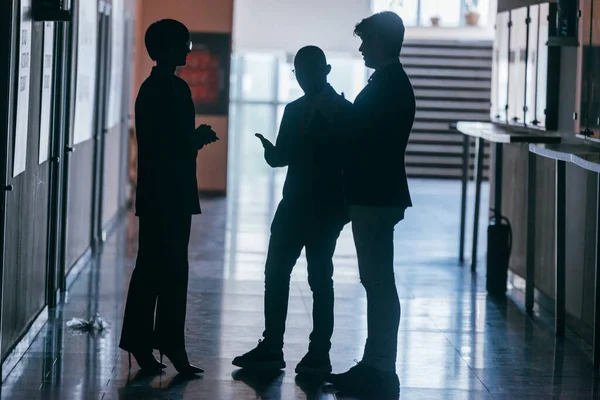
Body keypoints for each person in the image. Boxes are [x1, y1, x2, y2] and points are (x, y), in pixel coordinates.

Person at [232, 46, 351, 375]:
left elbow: (349, 160)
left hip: (321, 209)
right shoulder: (300, 109)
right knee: (280, 274)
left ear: (325, 71)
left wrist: (344, 210)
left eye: (309, 72)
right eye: (300, 73)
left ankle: (313, 350)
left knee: (316, 279)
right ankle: (277, 346)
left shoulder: (341, 111)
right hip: (298, 204)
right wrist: (271, 153)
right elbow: (283, 156)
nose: (304, 78)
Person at [322, 11, 416, 398]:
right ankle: (376, 365)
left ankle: (379, 368)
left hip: (375, 195)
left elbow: (367, 137)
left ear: (381, 42)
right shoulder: (390, 83)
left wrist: (341, 112)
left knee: (377, 282)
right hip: (380, 194)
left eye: (365, 41)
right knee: (377, 282)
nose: (361, 48)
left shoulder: (388, 86)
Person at [119, 19, 218, 375]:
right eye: (184, 44)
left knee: (166, 269)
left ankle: (155, 343)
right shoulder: (162, 90)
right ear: (167, 49)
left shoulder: (166, 88)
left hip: (168, 191)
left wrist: (190, 140)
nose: (190, 49)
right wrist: (194, 140)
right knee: (159, 269)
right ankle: (155, 344)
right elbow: (163, 145)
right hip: (165, 192)